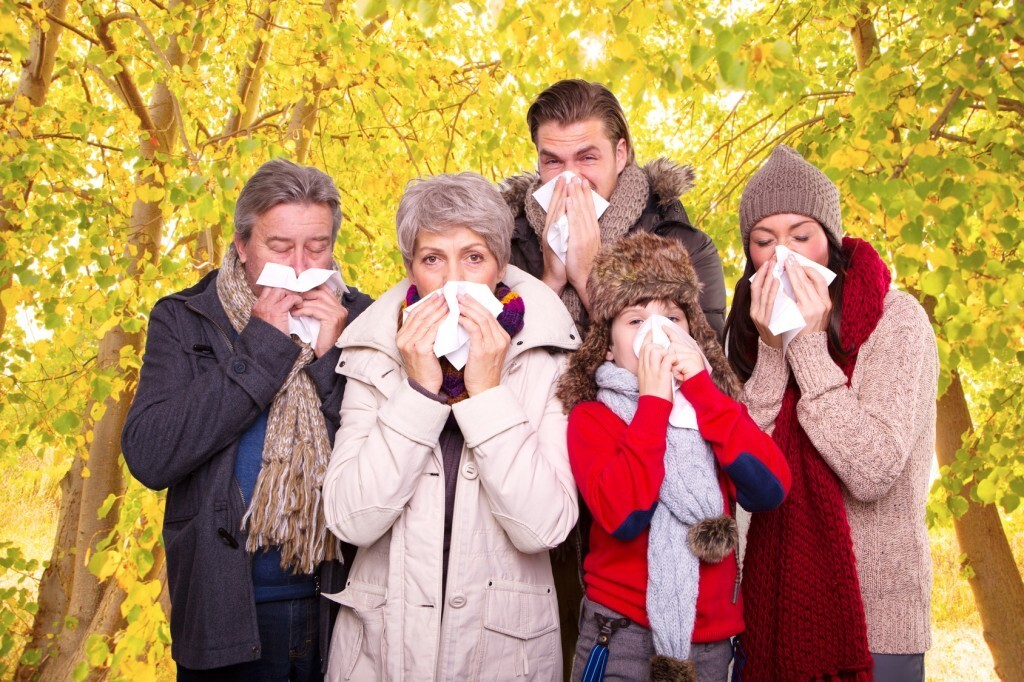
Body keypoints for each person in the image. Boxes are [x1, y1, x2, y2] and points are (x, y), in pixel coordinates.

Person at [321, 172, 580, 680]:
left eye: (474, 258)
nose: (453, 281)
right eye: (433, 259)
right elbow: (350, 519)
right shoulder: (372, 352)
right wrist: (417, 392)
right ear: (411, 269)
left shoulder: (548, 356)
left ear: (501, 266)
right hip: (381, 654)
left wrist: (487, 393)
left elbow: (545, 526)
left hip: (507, 657)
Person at [122, 158, 373, 681]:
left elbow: (385, 461)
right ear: (241, 245)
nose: (302, 266)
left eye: (318, 247)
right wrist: (261, 346)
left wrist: (331, 364)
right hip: (223, 612)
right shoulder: (185, 316)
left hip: (341, 606)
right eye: (280, 248)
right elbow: (150, 455)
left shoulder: (363, 317)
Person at [725, 145, 937, 681]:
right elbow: (747, 471)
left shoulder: (898, 321)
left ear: (831, 241)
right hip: (772, 611)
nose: (783, 256)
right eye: (764, 241)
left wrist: (807, 348)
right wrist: (773, 352)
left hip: (878, 622)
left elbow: (873, 468)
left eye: (801, 237)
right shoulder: (751, 328)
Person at [557, 232, 791, 682]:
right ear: (606, 344)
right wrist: (654, 403)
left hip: (711, 646)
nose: (657, 331)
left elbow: (770, 489)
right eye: (635, 319)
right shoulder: (592, 419)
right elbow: (625, 515)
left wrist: (702, 389)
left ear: (694, 335)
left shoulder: (715, 410)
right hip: (620, 639)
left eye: (672, 317)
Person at [500, 79, 726, 339]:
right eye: (553, 161)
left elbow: (700, 369)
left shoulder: (686, 247)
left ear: (620, 154)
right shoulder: (507, 245)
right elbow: (498, 364)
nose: (571, 177)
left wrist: (589, 279)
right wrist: (550, 281)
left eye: (587, 158)